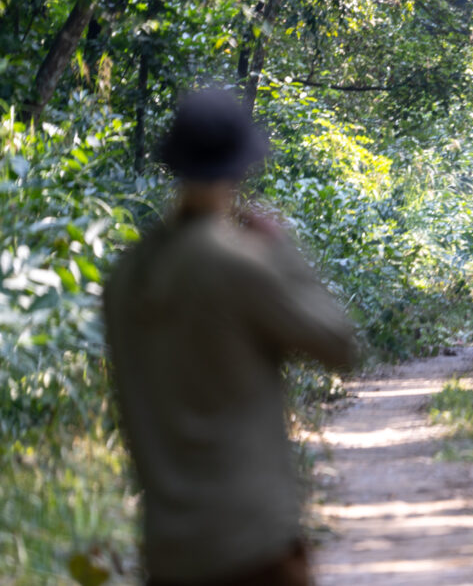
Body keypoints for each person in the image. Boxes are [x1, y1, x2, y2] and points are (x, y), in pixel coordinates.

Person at [103, 89, 357, 585]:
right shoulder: (235, 265)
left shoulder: (126, 277)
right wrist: (282, 252)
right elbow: (339, 344)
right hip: (252, 543)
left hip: (169, 551)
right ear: (240, 166)